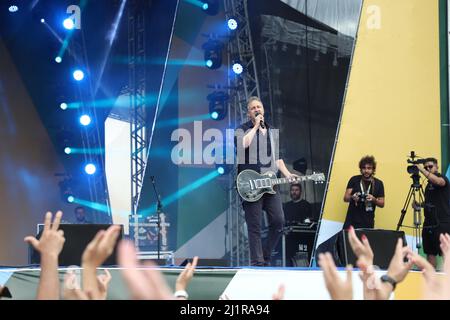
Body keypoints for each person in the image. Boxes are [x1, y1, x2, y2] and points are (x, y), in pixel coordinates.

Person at [235, 96, 298, 266]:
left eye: (259, 107)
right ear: (249, 113)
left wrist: (287, 174)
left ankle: (265, 254)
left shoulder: (271, 131)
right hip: (251, 184)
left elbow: (277, 158)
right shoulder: (242, 129)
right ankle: (258, 262)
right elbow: (243, 145)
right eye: (253, 108)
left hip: (271, 184)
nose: (257, 110)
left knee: (278, 221)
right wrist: (255, 126)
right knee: (254, 225)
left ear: (263, 110)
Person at [416, 157, 450, 268]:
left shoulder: (442, 178)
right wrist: (419, 205)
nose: (427, 169)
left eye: (430, 166)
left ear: (437, 166)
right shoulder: (428, 185)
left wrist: (421, 169)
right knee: (430, 253)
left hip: (442, 222)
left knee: (445, 252)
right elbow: (429, 202)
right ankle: (431, 281)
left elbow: (439, 182)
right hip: (429, 222)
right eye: (426, 167)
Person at [343, 155, 385, 230]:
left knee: (364, 241)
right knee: (346, 241)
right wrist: (353, 197)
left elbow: (382, 204)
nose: (366, 171)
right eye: (364, 168)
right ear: (361, 169)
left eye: (369, 168)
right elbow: (345, 198)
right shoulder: (354, 179)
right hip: (351, 221)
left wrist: (374, 199)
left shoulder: (379, 183)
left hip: (368, 222)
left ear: (373, 169)